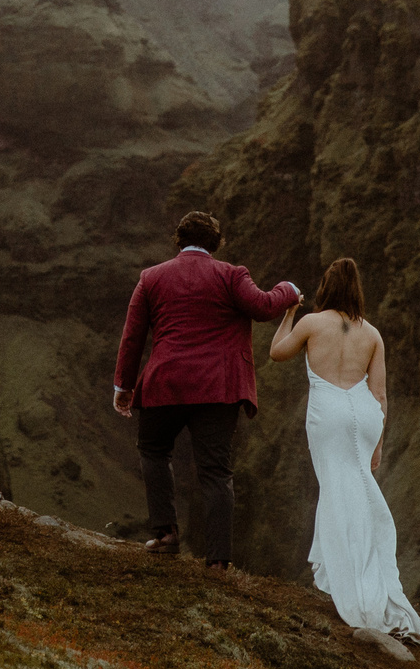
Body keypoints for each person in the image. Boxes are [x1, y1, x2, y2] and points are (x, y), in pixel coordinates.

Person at [111, 210, 302, 568]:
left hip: (165, 383)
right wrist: (288, 290)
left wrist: (124, 385)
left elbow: (133, 335)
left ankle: (166, 535)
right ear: (215, 244)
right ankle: (217, 562)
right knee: (215, 472)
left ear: (179, 240)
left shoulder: (151, 278)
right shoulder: (231, 275)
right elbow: (263, 306)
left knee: (153, 450)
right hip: (219, 388)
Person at [270, 257, 420, 642]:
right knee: (358, 488)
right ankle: (372, 573)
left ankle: (351, 582)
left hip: (329, 414)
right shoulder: (372, 334)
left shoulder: (311, 322)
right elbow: (380, 393)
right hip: (364, 416)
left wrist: (289, 313)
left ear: (327, 288)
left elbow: (277, 352)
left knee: (337, 491)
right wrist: (377, 444)